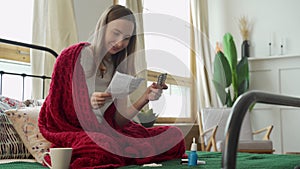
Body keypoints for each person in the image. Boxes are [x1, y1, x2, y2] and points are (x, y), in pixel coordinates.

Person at [38, 5, 186, 169]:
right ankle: (120, 151)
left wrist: (145, 98)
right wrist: (89, 105)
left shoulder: (119, 67)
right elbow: (56, 110)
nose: (120, 42)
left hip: (109, 132)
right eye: (116, 33)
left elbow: (119, 121)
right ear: (103, 28)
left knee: (175, 135)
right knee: (103, 145)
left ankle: (120, 151)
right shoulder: (73, 57)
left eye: (127, 38)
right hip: (80, 131)